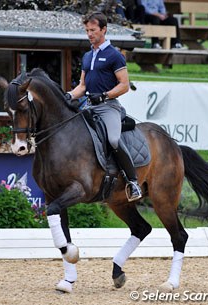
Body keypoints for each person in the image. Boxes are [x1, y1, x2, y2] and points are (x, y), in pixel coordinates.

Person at [65, 11, 142, 202]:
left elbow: (124, 85)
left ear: (103, 30)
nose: (89, 34)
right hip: (89, 106)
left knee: (114, 139)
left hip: (108, 107)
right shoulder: (87, 56)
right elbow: (82, 86)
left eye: (93, 30)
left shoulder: (114, 55)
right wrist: (67, 95)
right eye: (87, 30)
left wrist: (105, 95)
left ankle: (133, 182)